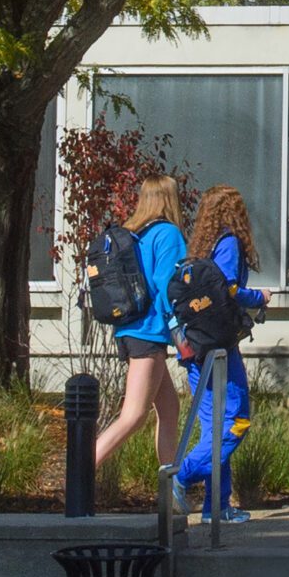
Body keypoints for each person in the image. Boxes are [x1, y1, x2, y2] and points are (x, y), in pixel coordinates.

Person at [174, 184, 266, 524]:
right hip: (219, 350)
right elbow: (228, 289)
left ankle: (218, 507)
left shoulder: (200, 247)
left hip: (195, 347)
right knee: (237, 421)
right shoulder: (229, 243)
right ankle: (180, 476)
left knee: (214, 429)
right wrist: (259, 297)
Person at [92, 174, 188, 477]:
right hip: (149, 333)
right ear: (170, 199)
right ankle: (78, 476)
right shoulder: (169, 234)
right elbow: (167, 286)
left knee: (169, 409)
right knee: (133, 415)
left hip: (129, 329)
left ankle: (170, 489)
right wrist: (181, 332)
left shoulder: (134, 234)